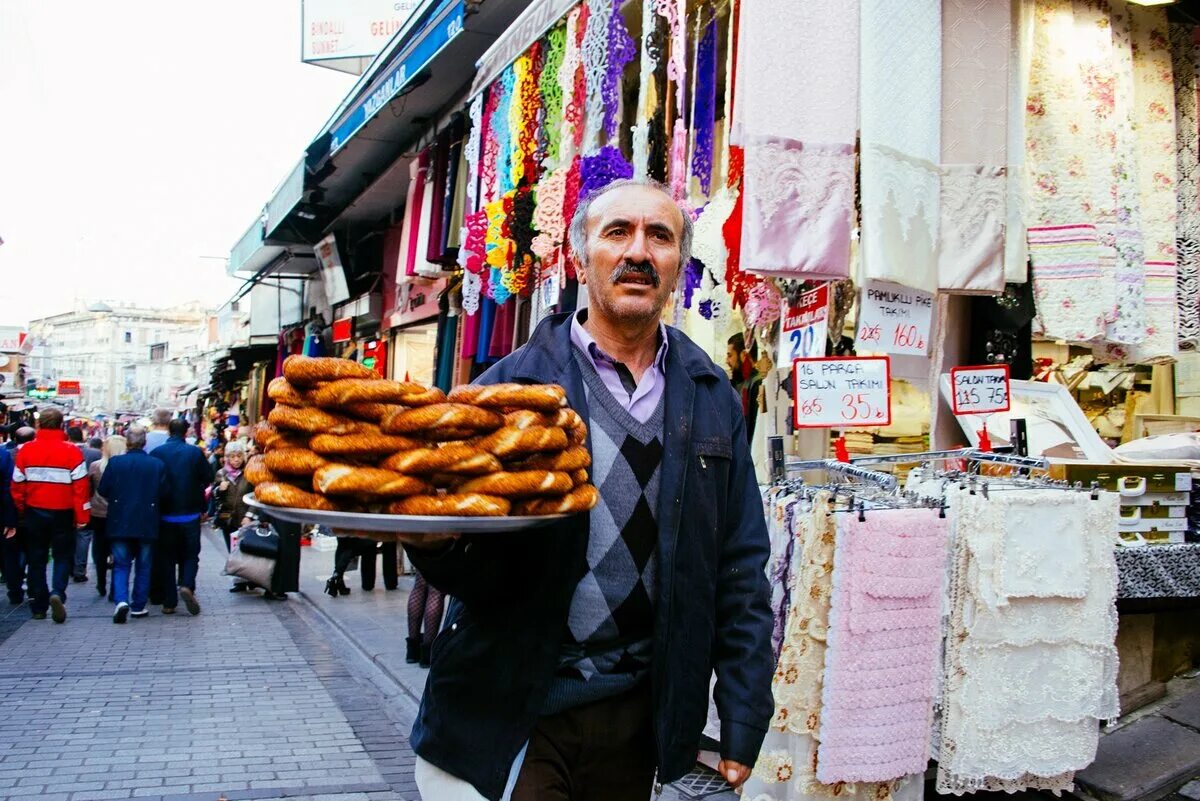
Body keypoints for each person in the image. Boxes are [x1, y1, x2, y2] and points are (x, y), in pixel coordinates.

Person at [399, 179, 773, 800]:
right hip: (516, 712)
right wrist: (435, 544)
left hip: (635, 717)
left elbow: (740, 568)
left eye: (660, 236)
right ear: (579, 257)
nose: (639, 251)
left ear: (679, 263)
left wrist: (740, 713)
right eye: (617, 232)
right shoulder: (506, 389)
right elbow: (475, 573)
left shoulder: (711, 398)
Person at [11, 409, 90, 623]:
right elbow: (80, 487)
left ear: (39, 425)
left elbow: (17, 485)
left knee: (36, 559)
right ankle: (58, 592)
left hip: (34, 511)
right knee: (62, 555)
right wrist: (82, 516)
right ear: (61, 425)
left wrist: (20, 510)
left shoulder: (26, 451)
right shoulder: (72, 451)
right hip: (63, 512)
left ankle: (38, 605)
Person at [98, 427, 167, 622]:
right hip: (147, 520)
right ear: (144, 442)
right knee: (144, 565)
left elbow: (103, 489)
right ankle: (138, 604)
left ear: (127, 442)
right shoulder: (156, 464)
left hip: (120, 520)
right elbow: (164, 492)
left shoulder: (115, 463)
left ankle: (121, 600)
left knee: (121, 564)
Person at [149, 419, 213, 616]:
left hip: (166, 516)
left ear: (169, 431)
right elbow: (208, 476)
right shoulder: (194, 452)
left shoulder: (157, 453)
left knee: (166, 558)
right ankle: (186, 585)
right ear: (186, 432)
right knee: (190, 555)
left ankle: (169, 601)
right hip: (190, 514)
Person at [211, 442, 252, 592]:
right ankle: (239, 581)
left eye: (239, 456)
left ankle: (251, 578)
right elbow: (214, 497)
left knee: (248, 550)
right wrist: (219, 490)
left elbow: (255, 496)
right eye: (232, 456)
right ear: (227, 457)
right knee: (233, 551)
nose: (236, 460)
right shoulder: (221, 473)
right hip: (227, 519)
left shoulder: (249, 473)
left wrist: (249, 515)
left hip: (245, 518)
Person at [89, 436, 126, 599]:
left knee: (99, 549)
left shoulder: (96, 466)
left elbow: (89, 490)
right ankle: (114, 588)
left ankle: (101, 582)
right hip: (120, 513)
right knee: (118, 549)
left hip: (98, 513)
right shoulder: (126, 467)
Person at [1, 427, 34, 605]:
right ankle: (32, 589)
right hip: (32, 513)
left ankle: (15, 590)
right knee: (34, 554)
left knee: (11, 555)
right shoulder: (5, 456)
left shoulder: (7, 454)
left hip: (13, 515)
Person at [66, 426, 102, 584]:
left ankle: (67, 566)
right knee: (84, 535)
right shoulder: (94, 453)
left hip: (65, 500)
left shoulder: (64, 450)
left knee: (67, 533)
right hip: (88, 500)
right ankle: (79, 569)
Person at [726, 332, 762, 442]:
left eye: (730, 355)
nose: (727, 361)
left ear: (743, 355)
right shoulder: (736, 384)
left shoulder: (756, 383)